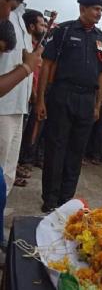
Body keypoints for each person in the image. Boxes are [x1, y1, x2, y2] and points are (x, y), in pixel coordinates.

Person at [36, 0, 102, 212]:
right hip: (62, 94)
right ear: (82, 8)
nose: (99, 13)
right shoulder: (64, 31)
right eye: (96, 9)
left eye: (101, 10)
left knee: (76, 151)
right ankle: (50, 199)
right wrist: (41, 99)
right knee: (56, 147)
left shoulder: (101, 39)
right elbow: (47, 66)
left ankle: (65, 200)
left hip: (87, 99)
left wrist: (97, 104)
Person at [0, 0, 40, 194]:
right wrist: (26, 67)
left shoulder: (19, 19)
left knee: (7, 175)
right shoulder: (4, 14)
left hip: (17, 108)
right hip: (2, 108)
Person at [17, 9, 46, 175]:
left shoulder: (36, 46)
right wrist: (34, 92)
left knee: (23, 132)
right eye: (41, 24)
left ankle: (16, 165)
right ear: (31, 26)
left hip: (29, 96)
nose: (43, 27)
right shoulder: (24, 45)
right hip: (21, 95)